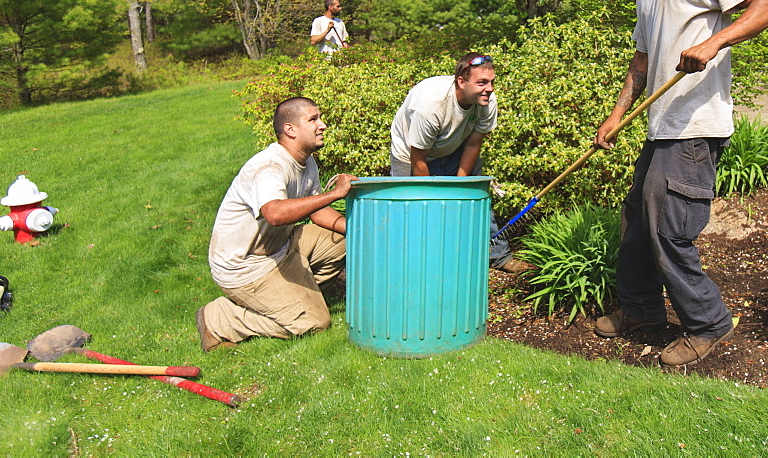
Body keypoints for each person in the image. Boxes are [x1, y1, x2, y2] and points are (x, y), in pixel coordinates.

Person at [591, 0, 768, 366]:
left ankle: (708, 323)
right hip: (661, 127)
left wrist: (715, 42)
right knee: (637, 222)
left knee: (668, 230)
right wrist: (616, 116)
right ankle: (641, 311)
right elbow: (642, 61)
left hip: (695, 126)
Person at [196, 97, 358, 351]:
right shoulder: (270, 166)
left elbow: (316, 211)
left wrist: (357, 230)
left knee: (346, 242)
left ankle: (297, 298)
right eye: (313, 119)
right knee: (315, 323)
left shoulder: (306, 161)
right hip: (245, 267)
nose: (322, 125)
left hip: (280, 248)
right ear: (290, 129)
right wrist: (334, 194)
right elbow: (274, 213)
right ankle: (220, 318)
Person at [390, 52, 533, 274]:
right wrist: (434, 199)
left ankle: (498, 256)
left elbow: (473, 144)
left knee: (476, 194)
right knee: (414, 208)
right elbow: (417, 158)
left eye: (492, 82)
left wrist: (461, 189)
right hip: (410, 153)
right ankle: (416, 263)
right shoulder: (431, 106)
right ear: (461, 82)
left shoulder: (485, 100)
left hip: (456, 144)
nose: (490, 88)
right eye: (482, 82)